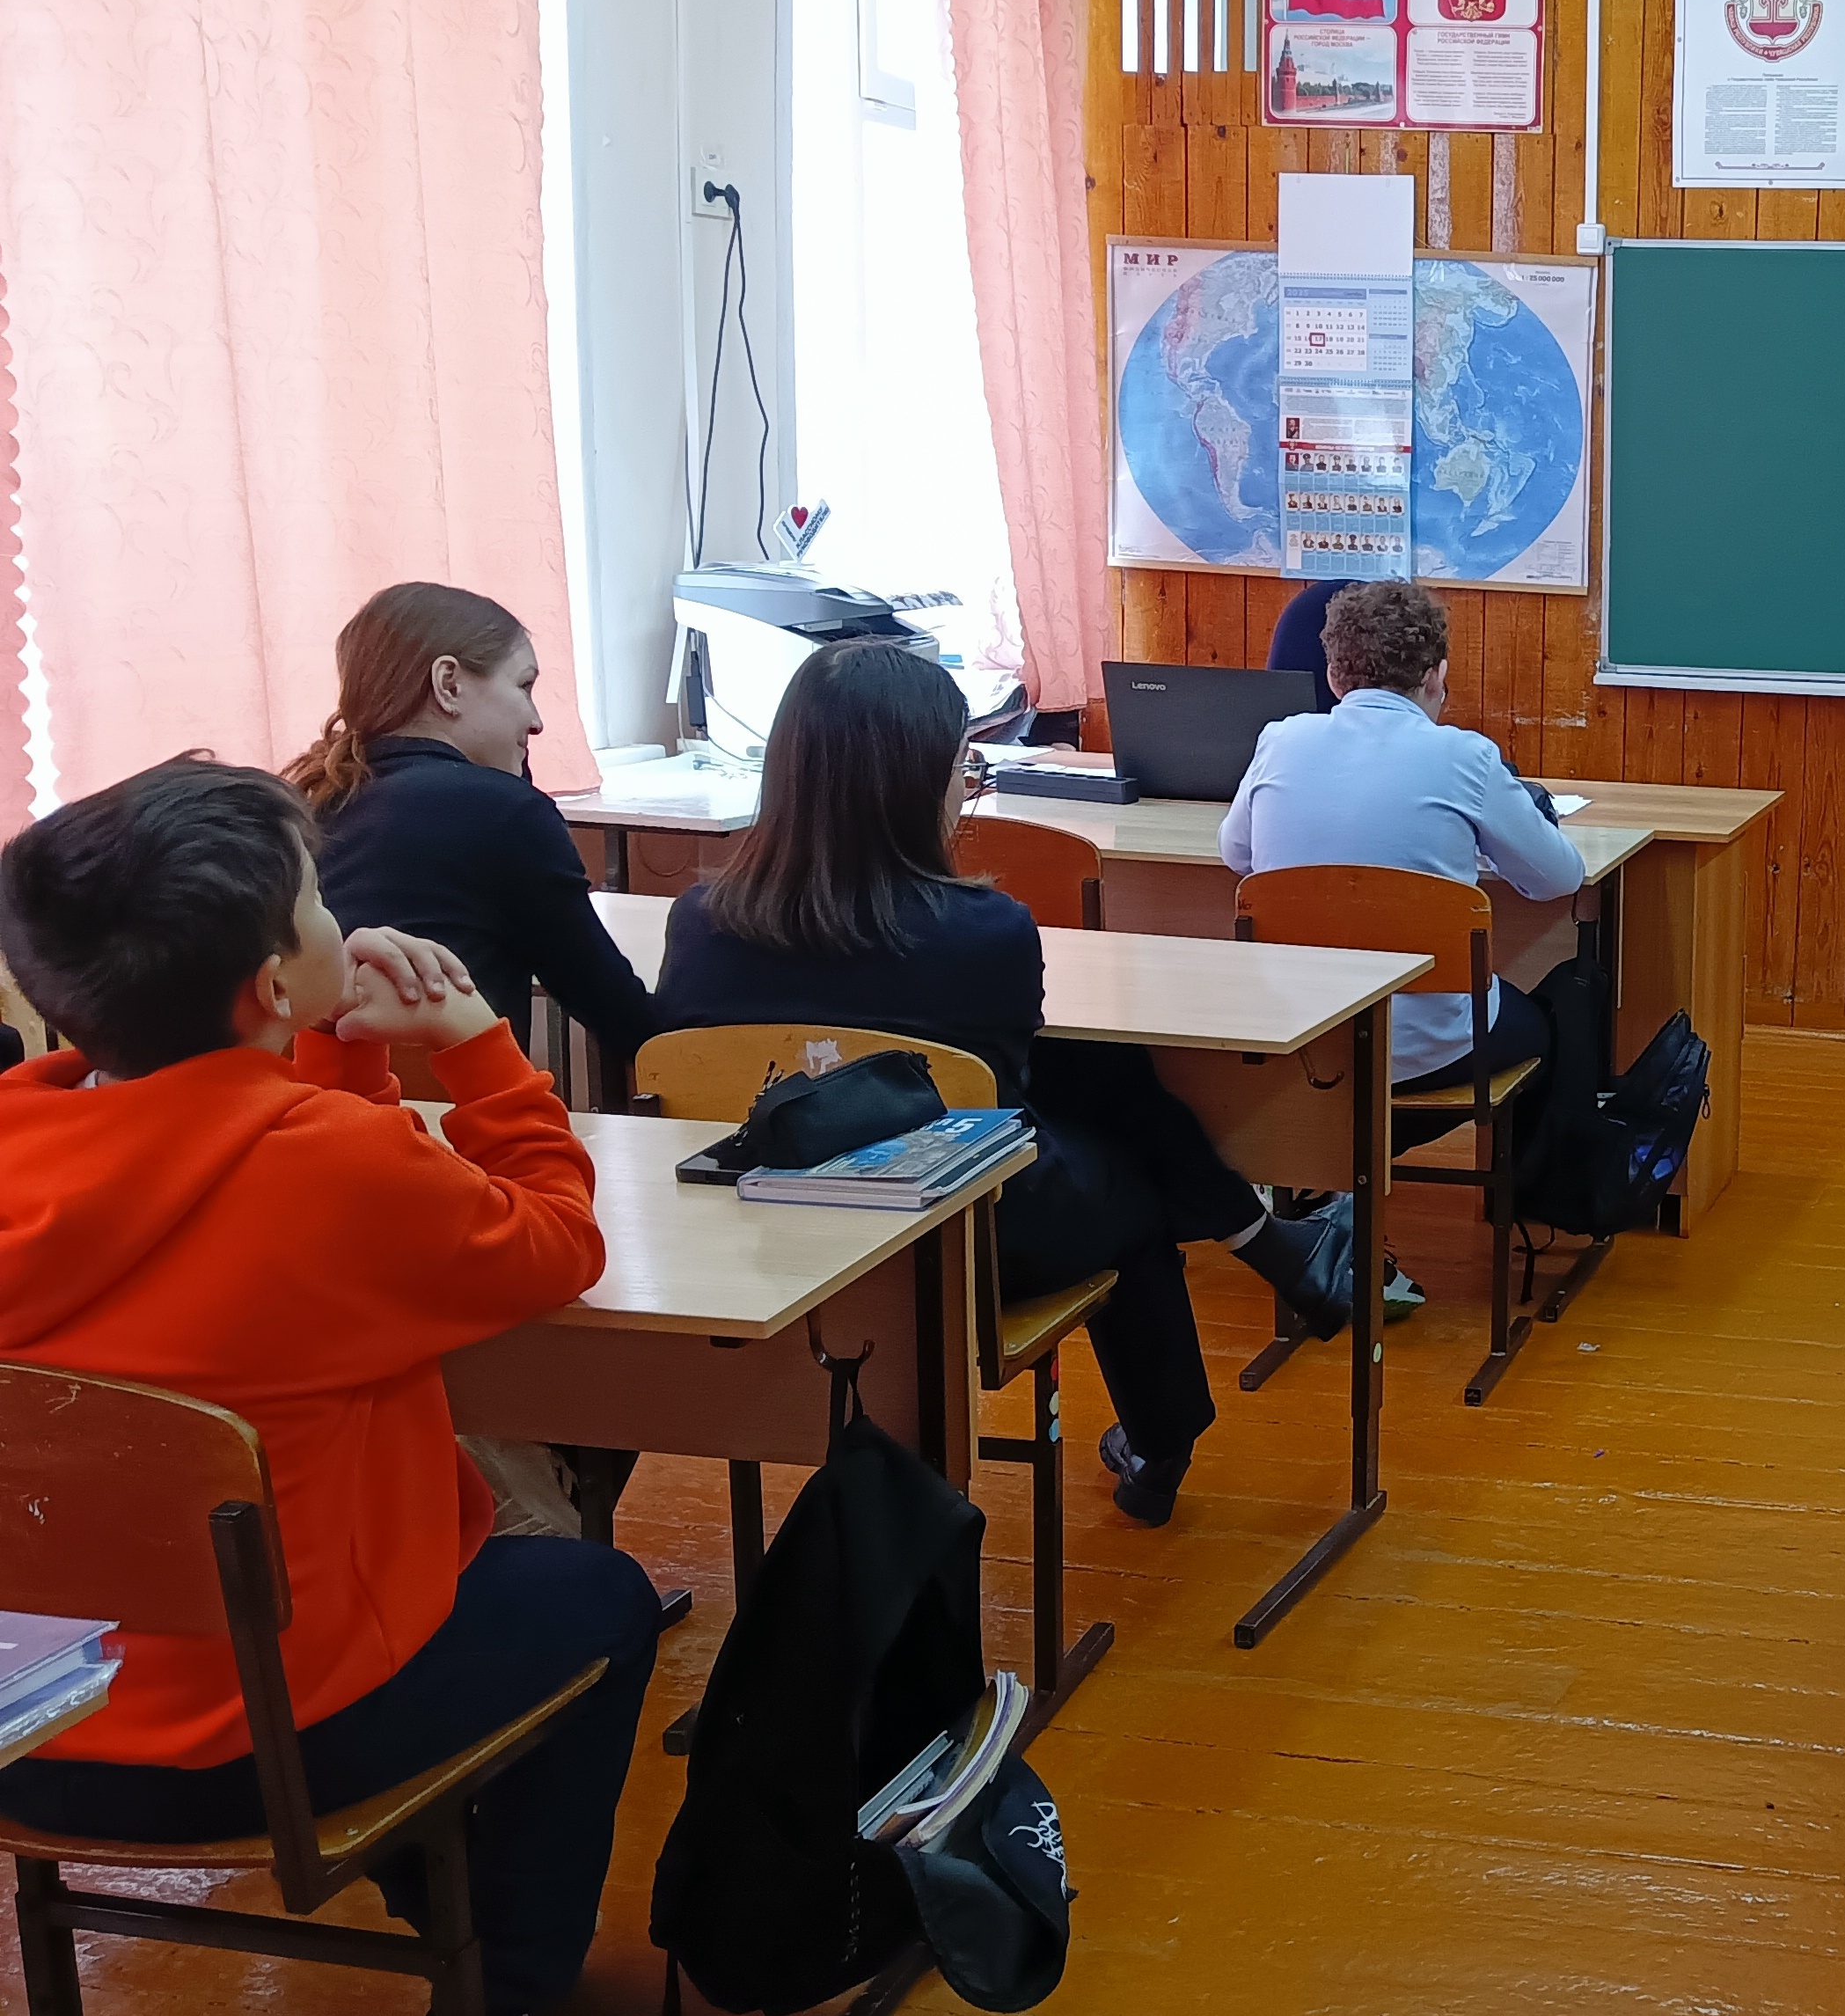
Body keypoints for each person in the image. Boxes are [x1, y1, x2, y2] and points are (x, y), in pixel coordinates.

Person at [0, 757, 662, 2016]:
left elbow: (248, 1155)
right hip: (262, 1750)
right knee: (600, 1595)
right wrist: (476, 1045)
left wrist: (343, 1058)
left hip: (34, 1738)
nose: (337, 919)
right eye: (316, 901)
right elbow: (554, 1239)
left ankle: (454, 1929)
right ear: (270, 984)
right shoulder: (329, 1168)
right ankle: (493, 1994)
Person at [655, 638, 1354, 1526]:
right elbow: (1004, 1089)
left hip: (759, 1245)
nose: (964, 785)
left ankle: (1255, 1276)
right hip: (958, 1246)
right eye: (963, 763)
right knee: (1126, 1168)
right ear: (919, 781)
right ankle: (1172, 1421)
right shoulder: (983, 930)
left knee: (1096, 1074)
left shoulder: (700, 922)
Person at [286, 583, 660, 1089]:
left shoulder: (305, 806)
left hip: (312, 1119)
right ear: (449, 685)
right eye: (524, 686)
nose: (536, 722)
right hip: (461, 1125)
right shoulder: (504, 812)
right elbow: (621, 1018)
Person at [1222, 582, 1585, 1095]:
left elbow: (1236, 853)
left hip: (1300, 1034)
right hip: (1426, 1047)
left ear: (1333, 675)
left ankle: (1338, 1142)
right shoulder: (1467, 757)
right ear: (1436, 675)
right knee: (1552, 1022)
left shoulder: (1280, 739)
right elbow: (1560, 878)